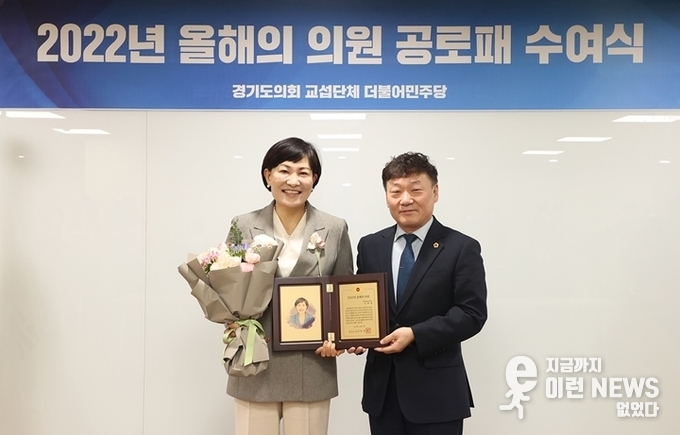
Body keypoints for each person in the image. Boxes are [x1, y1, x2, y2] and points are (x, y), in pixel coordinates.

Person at [350, 152, 487, 435]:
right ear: (386, 196)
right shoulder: (370, 246)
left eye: (415, 190)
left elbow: (472, 314)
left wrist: (415, 334)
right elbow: (363, 304)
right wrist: (355, 336)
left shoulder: (461, 247)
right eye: (396, 192)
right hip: (383, 392)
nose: (405, 199)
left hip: (438, 394)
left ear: (434, 192)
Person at [226, 137, 353, 435]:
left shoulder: (334, 228)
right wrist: (232, 320)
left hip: (311, 363)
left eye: (303, 172)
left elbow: (344, 292)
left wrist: (338, 338)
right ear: (268, 175)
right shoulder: (243, 225)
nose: (293, 181)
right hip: (255, 360)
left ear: (314, 179)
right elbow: (228, 289)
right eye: (284, 170)